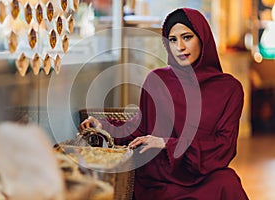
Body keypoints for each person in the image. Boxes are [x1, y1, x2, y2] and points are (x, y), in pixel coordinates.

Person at [80, 8, 249, 200]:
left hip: (204, 173)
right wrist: (103, 125)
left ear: (203, 38)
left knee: (228, 183)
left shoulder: (229, 88)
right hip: (160, 176)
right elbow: (138, 128)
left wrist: (166, 143)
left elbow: (224, 146)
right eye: (173, 40)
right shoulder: (157, 80)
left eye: (187, 37)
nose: (180, 47)